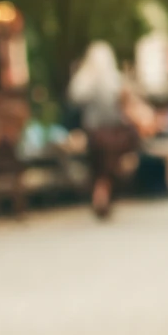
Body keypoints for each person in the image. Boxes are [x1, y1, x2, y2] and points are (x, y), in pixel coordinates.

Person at [67, 41, 138, 220]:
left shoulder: (85, 79)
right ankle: (103, 192)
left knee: (101, 165)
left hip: (98, 132)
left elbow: (74, 100)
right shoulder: (113, 78)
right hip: (108, 133)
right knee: (107, 164)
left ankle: (101, 193)